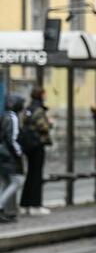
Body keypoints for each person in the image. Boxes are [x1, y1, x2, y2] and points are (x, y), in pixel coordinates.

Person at [19, 86, 52, 216]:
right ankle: (35, 205)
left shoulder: (28, 109)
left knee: (30, 175)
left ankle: (24, 204)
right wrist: (50, 123)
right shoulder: (39, 109)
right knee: (37, 175)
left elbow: (24, 124)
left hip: (28, 146)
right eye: (45, 93)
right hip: (37, 145)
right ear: (41, 95)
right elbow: (43, 126)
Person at [0, 94, 25, 222]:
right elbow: (13, 138)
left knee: (6, 182)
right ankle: (0, 207)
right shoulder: (13, 117)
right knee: (17, 181)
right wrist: (19, 152)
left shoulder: (4, 115)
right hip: (9, 155)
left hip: (3, 155)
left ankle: (3, 210)